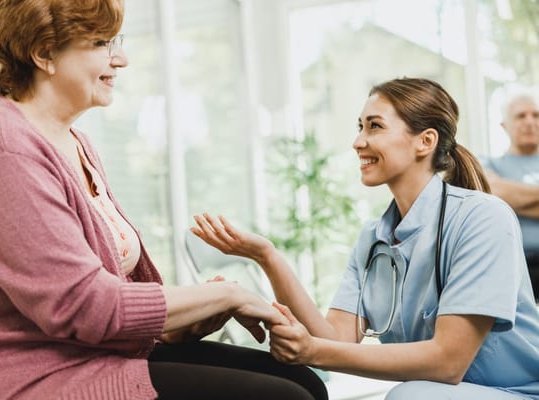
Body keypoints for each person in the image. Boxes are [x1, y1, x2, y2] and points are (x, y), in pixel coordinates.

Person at [0, 1, 328, 399]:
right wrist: (229, 294)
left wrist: (178, 323)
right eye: (101, 43)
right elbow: (82, 307)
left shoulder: (75, 143)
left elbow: (110, 290)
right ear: (44, 53)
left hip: (87, 356)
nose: (121, 58)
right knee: (284, 397)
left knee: (304, 381)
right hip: (23, 377)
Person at [192, 77, 539, 399]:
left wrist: (313, 350)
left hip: (517, 391)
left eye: (374, 126)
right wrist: (267, 256)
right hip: (446, 394)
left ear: (425, 141)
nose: (358, 141)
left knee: (410, 396)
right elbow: (334, 340)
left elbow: (448, 362)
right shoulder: (374, 238)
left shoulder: (481, 217)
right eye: (360, 127)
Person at [482, 89, 539, 302]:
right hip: (510, 268)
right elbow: (495, 192)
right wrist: (501, 196)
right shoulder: (488, 164)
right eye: (521, 116)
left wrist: (513, 199)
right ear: (504, 126)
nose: (530, 121)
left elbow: (503, 196)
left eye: (536, 115)